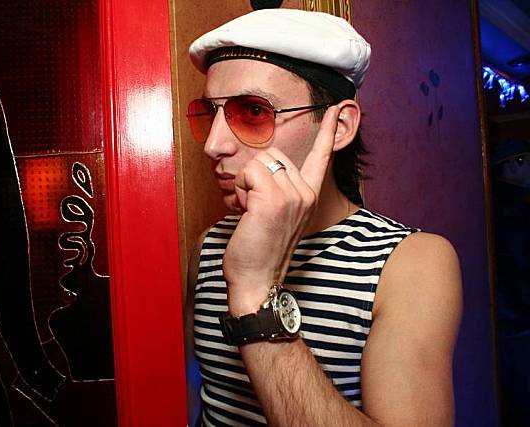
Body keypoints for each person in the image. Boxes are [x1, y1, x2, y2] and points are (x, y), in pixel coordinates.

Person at [183, 9, 462, 427]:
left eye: (254, 112)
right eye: (210, 112)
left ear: (340, 127)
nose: (214, 145)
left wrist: (255, 292)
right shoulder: (210, 247)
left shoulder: (410, 264)